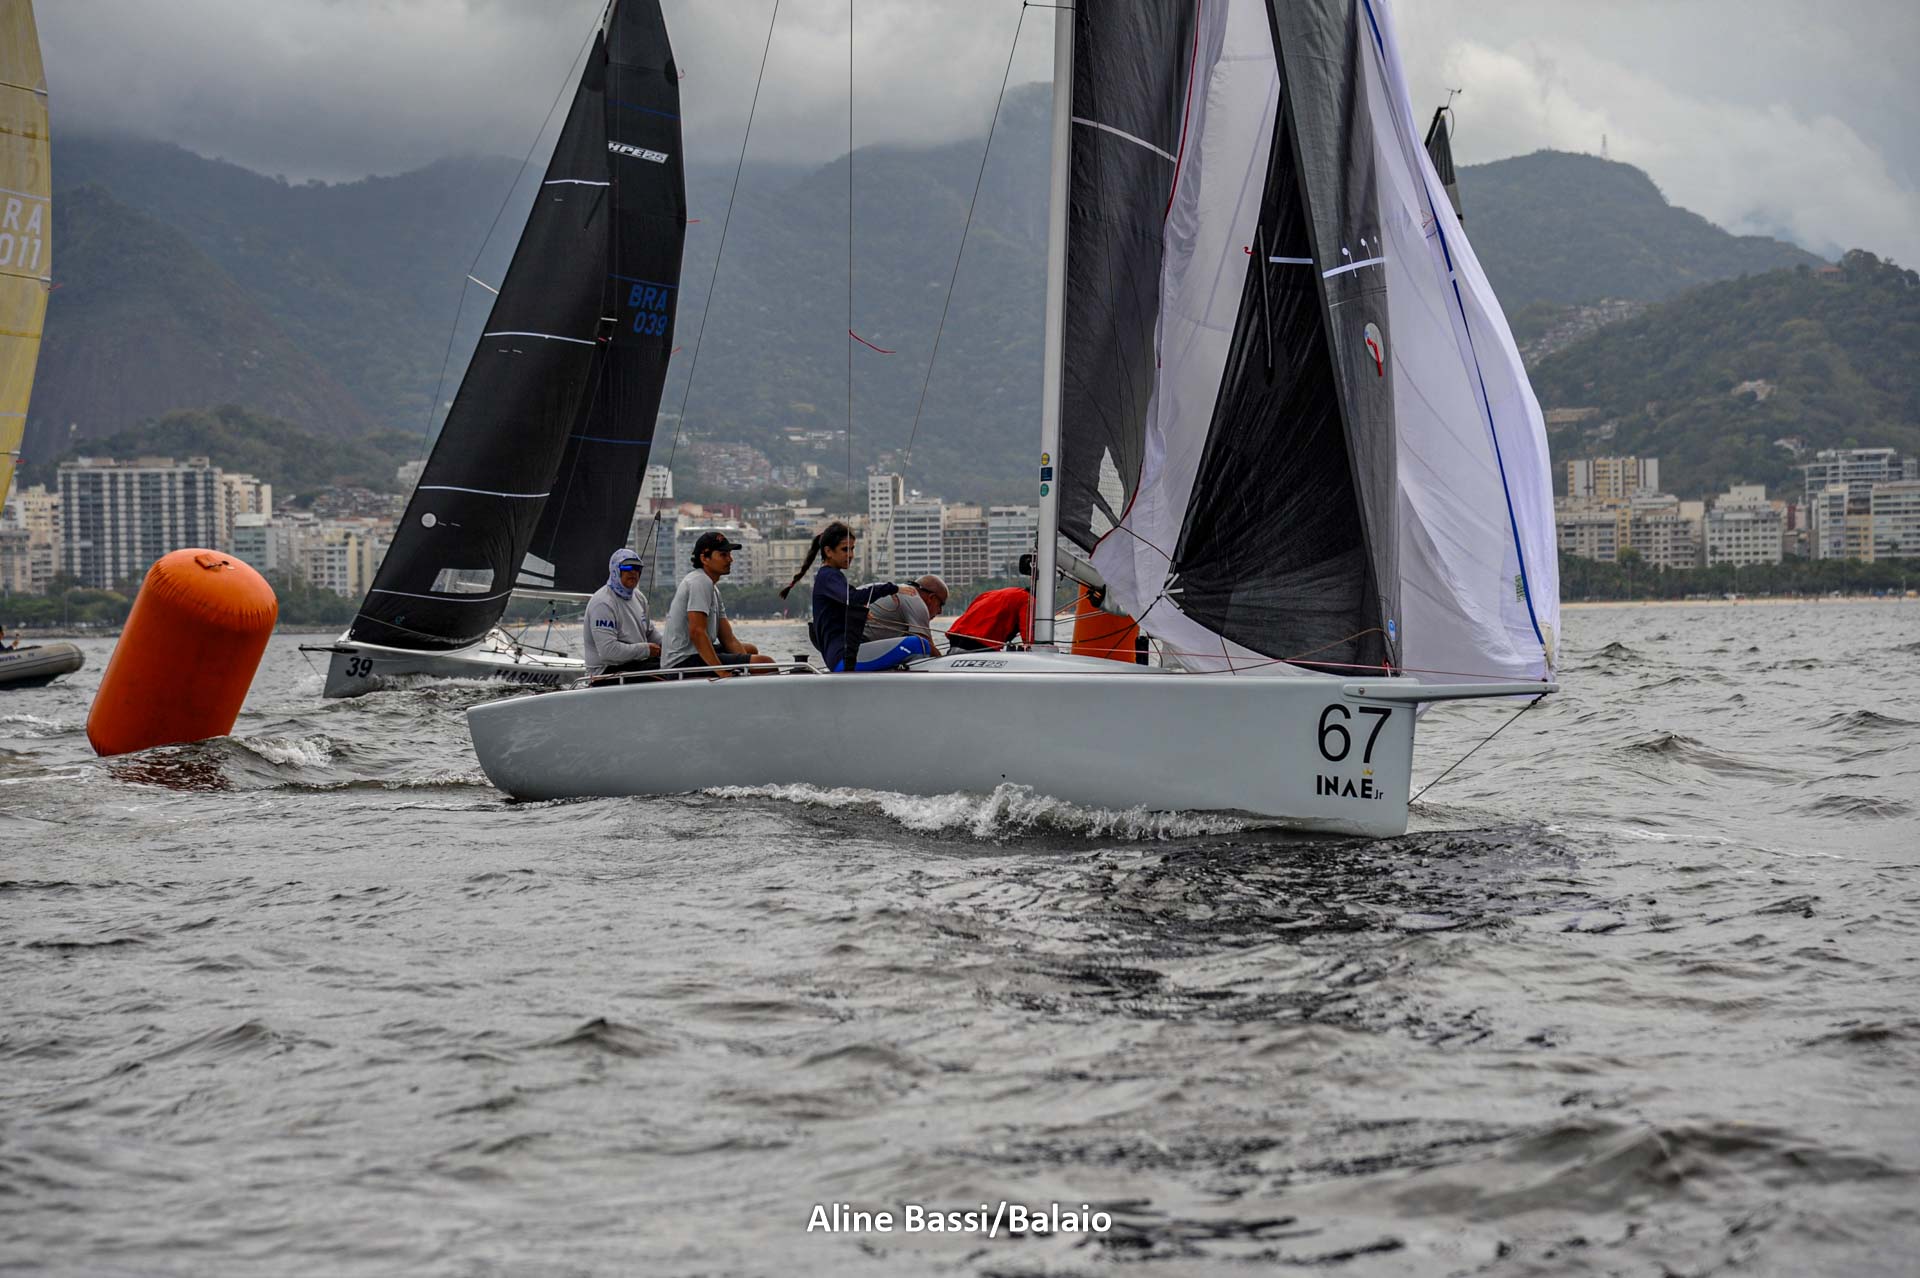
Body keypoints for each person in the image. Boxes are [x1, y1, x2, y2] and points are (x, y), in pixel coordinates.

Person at [778, 521, 930, 672]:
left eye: (852, 549)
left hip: (845, 657)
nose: (850, 555)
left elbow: (845, 603)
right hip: (845, 659)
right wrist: (893, 588)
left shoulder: (830, 577)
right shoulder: (828, 576)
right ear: (828, 551)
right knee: (919, 644)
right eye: (845, 549)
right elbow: (853, 597)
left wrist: (858, 611)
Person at [662, 531, 775, 678]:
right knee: (765, 663)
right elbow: (697, 632)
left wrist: (746, 666)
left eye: (729, 554)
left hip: (694, 654)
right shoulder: (699, 581)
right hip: (682, 661)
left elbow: (728, 639)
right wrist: (722, 672)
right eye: (723, 555)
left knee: (750, 650)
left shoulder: (713, 588)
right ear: (704, 558)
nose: (730, 559)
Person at [582, 547, 665, 682]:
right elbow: (608, 652)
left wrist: (672, 647)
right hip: (605, 672)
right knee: (668, 675)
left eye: (637, 568)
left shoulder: (639, 597)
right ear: (615, 570)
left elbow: (650, 634)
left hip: (635, 664)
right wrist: (646, 650)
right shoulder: (603, 603)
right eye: (627, 568)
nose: (633, 572)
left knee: (675, 665)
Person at [863, 573, 948, 653]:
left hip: (859, 639)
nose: (940, 611)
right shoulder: (915, 600)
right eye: (940, 604)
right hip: (859, 641)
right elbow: (925, 645)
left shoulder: (901, 590)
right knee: (917, 643)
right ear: (931, 598)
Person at [946, 584, 1034, 653]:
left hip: (957, 636)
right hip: (980, 641)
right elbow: (1027, 630)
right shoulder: (1028, 599)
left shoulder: (1002, 593)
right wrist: (1032, 648)